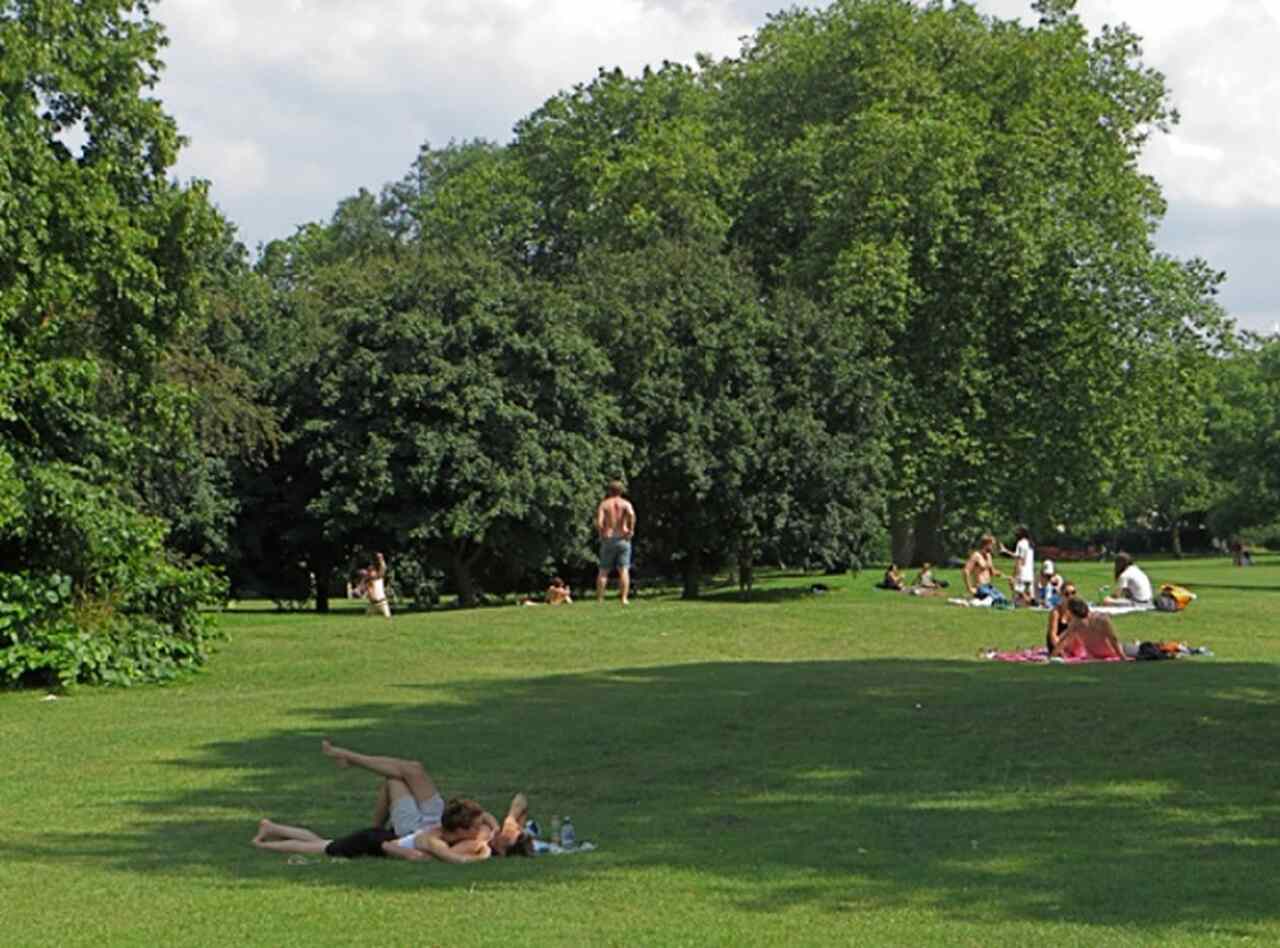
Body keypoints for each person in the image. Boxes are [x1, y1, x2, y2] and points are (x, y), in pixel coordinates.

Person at [595, 480, 636, 605]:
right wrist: (630, 530)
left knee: (603, 571)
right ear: (621, 491)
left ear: (609, 490)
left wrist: (602, 532)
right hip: (623, 537)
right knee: (624, 570)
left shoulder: (605, 504)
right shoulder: (626, 503)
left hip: (609, 538)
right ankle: (624, 598)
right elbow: (631, 514)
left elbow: (599, 522)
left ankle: (600, 599)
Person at [1051, 597, 1127, 661]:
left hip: (1095, 654)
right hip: (1111, 652)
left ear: (1072, 612)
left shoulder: (1075, 624)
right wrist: (1122, 657)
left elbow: (1062, 642)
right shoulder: (1102, 619)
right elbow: (1113, 639)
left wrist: (1052, 657)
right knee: (1136, 648)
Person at [962, 534, 1007, 605]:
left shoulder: (989, 556)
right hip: (980, 587)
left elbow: (992, 572)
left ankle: (975, 600)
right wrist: (969, 588)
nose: (994, 547)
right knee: (995, 601)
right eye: (992, 545)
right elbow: (966, 571)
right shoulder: (976, 555)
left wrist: (1005, 576)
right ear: (986, 544)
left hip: (989, 586)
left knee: (1003, 599)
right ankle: (973, 599)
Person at [1044, 581, 1077, 653]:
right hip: (1056, 644)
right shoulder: (1056, 612)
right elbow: (1053, 635)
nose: (1071, 596)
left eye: (1073, 593)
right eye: (1067, 594)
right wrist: (1061, 650)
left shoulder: (1076, 610)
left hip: (1068, 643)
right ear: (1061, 595)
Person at [1006, 526, 1035, 606]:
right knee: (1028, 591)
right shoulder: (1030, 544)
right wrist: (1006, 551)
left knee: (1018, 590)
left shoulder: (1020, 543)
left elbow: (1020, 560)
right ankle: (1031, 601)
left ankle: (1031, 602)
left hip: (1022, 571)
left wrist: (1015, 574)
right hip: (1030, 572)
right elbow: (1018, 556)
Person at [364, 552, 391, 619]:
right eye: (369, 572)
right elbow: (369, 590)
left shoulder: (379, 577)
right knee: (367, 620)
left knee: (388, 618)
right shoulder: (369, 581)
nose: (371, 573)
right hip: (372, 604)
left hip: (382, 602)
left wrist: (381, 559)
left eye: (372, 571)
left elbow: (383, 568)